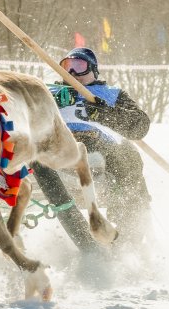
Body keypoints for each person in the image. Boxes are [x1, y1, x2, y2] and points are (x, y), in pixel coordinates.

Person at [39, 47, 152, 247]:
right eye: (67, 67)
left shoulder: (111, 94)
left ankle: (128, 225)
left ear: (93, 70)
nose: (72, 73)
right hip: (56, 143)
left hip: (98, 144)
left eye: (79, 66)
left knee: (129, 153)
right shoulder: (48, 91)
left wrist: (105, 113)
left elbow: (140, 126)